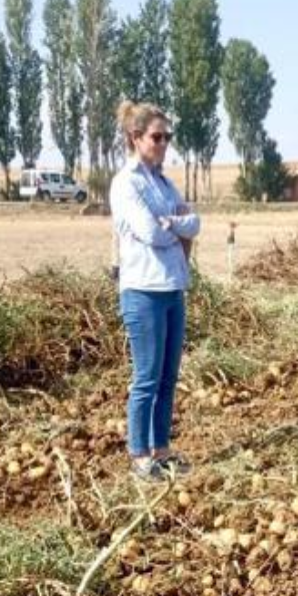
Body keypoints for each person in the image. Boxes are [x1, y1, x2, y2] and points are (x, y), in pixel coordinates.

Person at [111, 100, 201, 480]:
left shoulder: (163, 182)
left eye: (168, 138)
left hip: (172, 288)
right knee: (146, 377)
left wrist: (174, 223)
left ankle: (161, 449)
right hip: (143, 290)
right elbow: (148, 231)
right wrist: (174, 226)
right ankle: (138, 456)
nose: (164, 144)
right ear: (135, 138)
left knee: (168, 376)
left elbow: (193, 222)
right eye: (157, 137)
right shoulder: (126, 183)